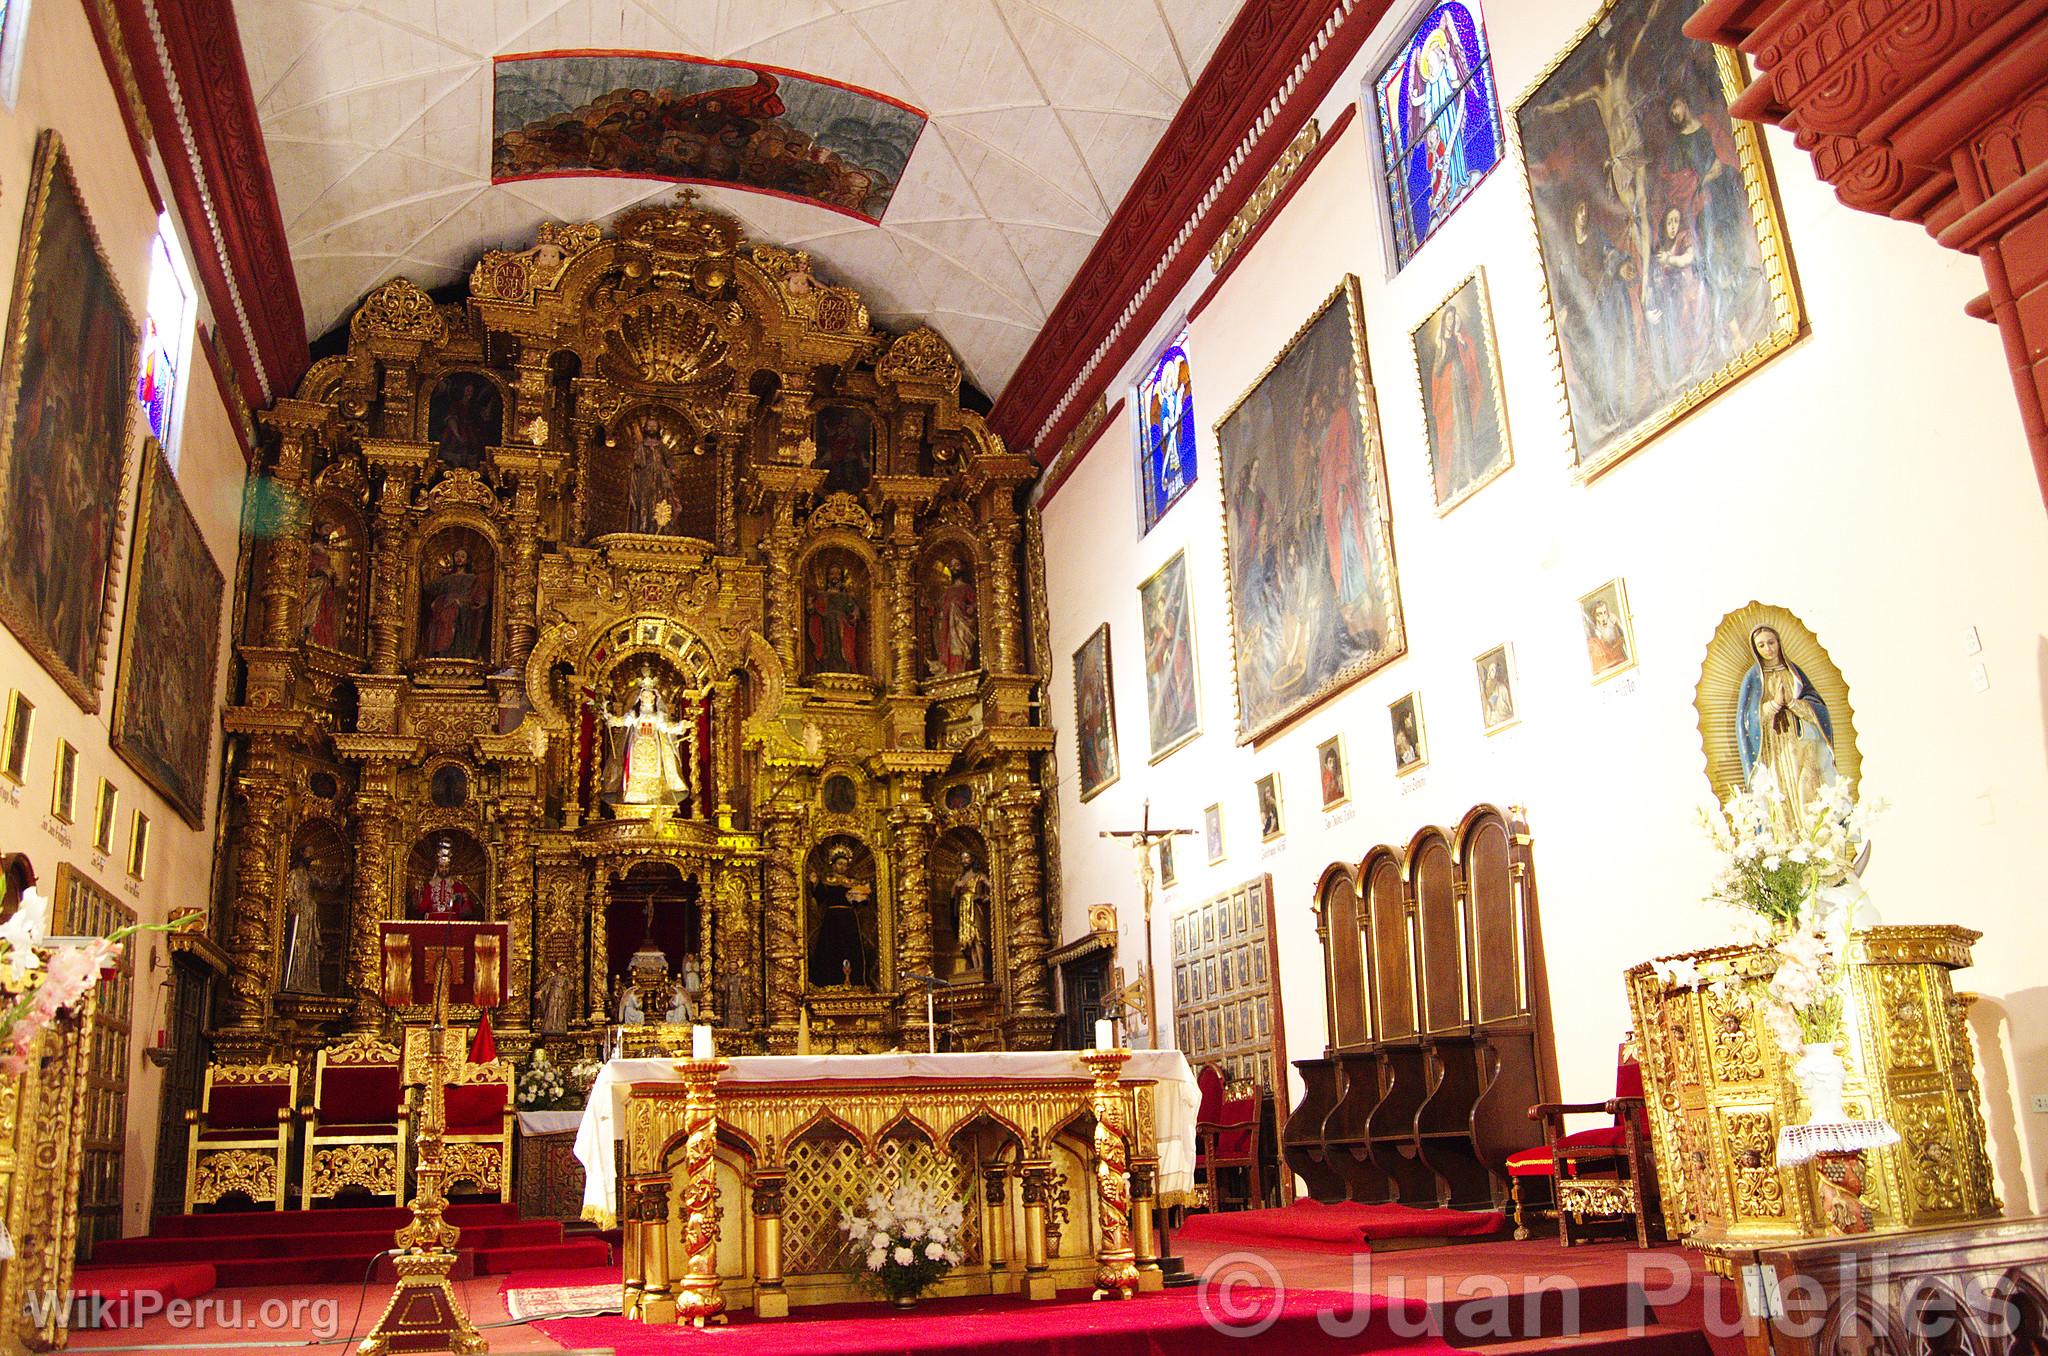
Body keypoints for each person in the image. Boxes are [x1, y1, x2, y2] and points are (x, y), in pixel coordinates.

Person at [1737, 625, 1837, 835]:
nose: (1768, 649)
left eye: (1771, 642)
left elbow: (1817, 707)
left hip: (1799, 743)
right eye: (1761, 645)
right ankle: (1784, 844)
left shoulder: (1795, 673)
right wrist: (1773, 705)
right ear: (1755, 649)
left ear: (1779, 642)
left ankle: (1812, 841)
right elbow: (1747, 718)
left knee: (1807, 790)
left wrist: (1792, 703)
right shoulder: (1754, 677)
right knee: (1778, 791)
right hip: (1772, 747)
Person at [598, 675, 690, 808]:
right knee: (634, 771)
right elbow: (622, 721)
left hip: (653, 748)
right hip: (637, 748)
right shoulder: (634, 714)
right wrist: (610, 718)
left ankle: (655, 797)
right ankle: (632, 797)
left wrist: (681, 726)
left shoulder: (658, 716)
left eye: (649, 696)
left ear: (654, 697)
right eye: (644, 696)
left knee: (656, 771)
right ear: (640, 697)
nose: (647, 698)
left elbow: (667, 728)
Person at [411, 837, 481, 921]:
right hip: (432, 925)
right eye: (441, 866)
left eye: (446, 866)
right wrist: (417, 893)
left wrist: (464, 899)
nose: (444, 869)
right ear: (437, 867)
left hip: (452, 924)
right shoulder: (429, 886)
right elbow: (421, 908)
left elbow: (465, 912)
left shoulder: (458, 886)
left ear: (450, 867)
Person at [950, 852, 988, 978]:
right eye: (962, 858)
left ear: (972, 859)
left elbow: (993, 887)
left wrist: (983, 897)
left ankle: (981, 965)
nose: (964, 860)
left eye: (967, 857)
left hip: (974, 907)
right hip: (964, 909)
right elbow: (952, 895)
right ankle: (974, 966)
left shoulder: (979, 876)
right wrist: (956, 886)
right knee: (968, 940)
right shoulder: (961, 878)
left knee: (977, 936)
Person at [1585, 597, 1630, 673]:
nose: (1603, 618)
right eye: (1599, 614)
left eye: (1605, 613)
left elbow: (1630, 641)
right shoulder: (1593, 640)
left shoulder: (1613, 627)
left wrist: (1618, 624)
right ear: (1594, 617)